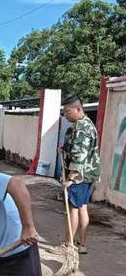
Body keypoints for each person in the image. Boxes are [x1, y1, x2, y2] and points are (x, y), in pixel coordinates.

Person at [55, 96, 100, 254]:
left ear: (78, 109)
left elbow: (80, 155)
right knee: (82, 208)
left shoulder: (81, 128)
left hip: (80, 176)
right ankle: (82, 245)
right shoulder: (87, 125)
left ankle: (68, 244)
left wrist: (71, 179)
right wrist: (64, 149)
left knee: (74, 208)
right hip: (89, 174)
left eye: (67, 111)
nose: (65, 115)